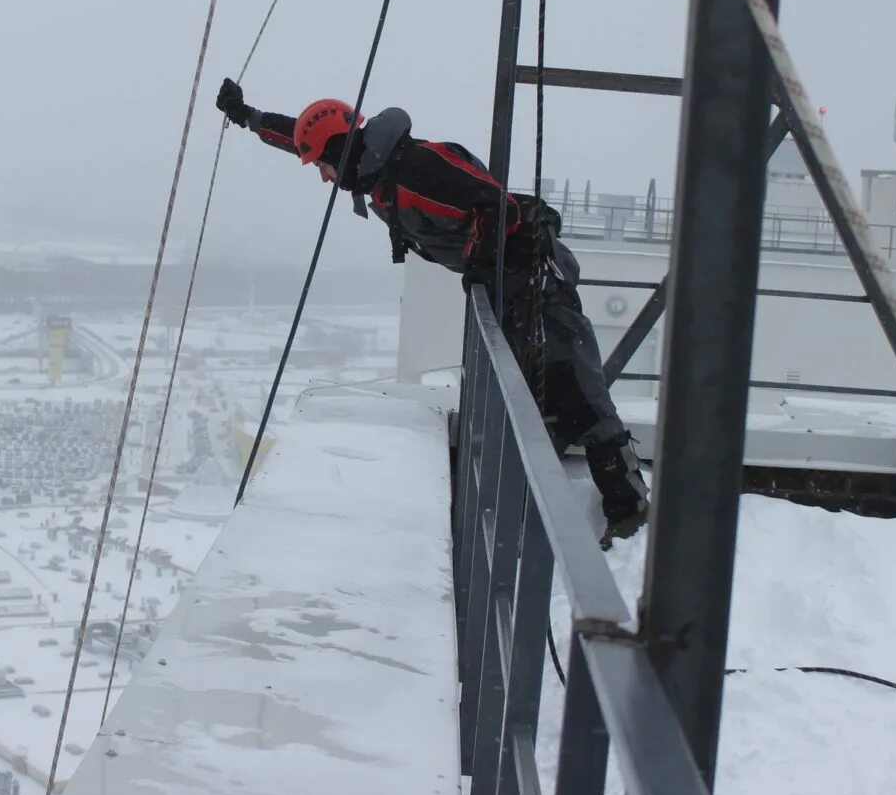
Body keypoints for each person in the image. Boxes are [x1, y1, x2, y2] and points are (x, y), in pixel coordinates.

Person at [215, 79, 648, 541]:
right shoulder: (377, 169)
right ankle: (557, 518)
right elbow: (301, 137)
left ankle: (630, 512)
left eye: (322, 165)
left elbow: (497, 208)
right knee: (536, 397)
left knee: (578, 393)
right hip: (512, 285)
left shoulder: (417, 171)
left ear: (341, 154)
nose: (323, 176)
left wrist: (479, 265)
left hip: (536, 278)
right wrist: (250, 118)